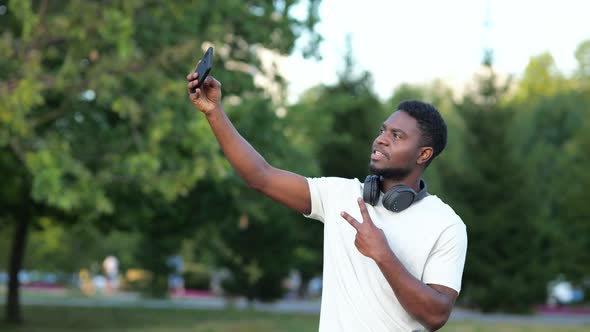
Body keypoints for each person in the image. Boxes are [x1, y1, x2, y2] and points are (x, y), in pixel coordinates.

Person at [186, 72, 467, 332]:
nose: (380, 140)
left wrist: (382, 254)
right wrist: (214, 112)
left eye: (396, 136)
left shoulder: (446, 225)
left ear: (423, 154)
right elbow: (260, 176)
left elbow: (436, 315)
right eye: (383, 130)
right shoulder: (340, 195)